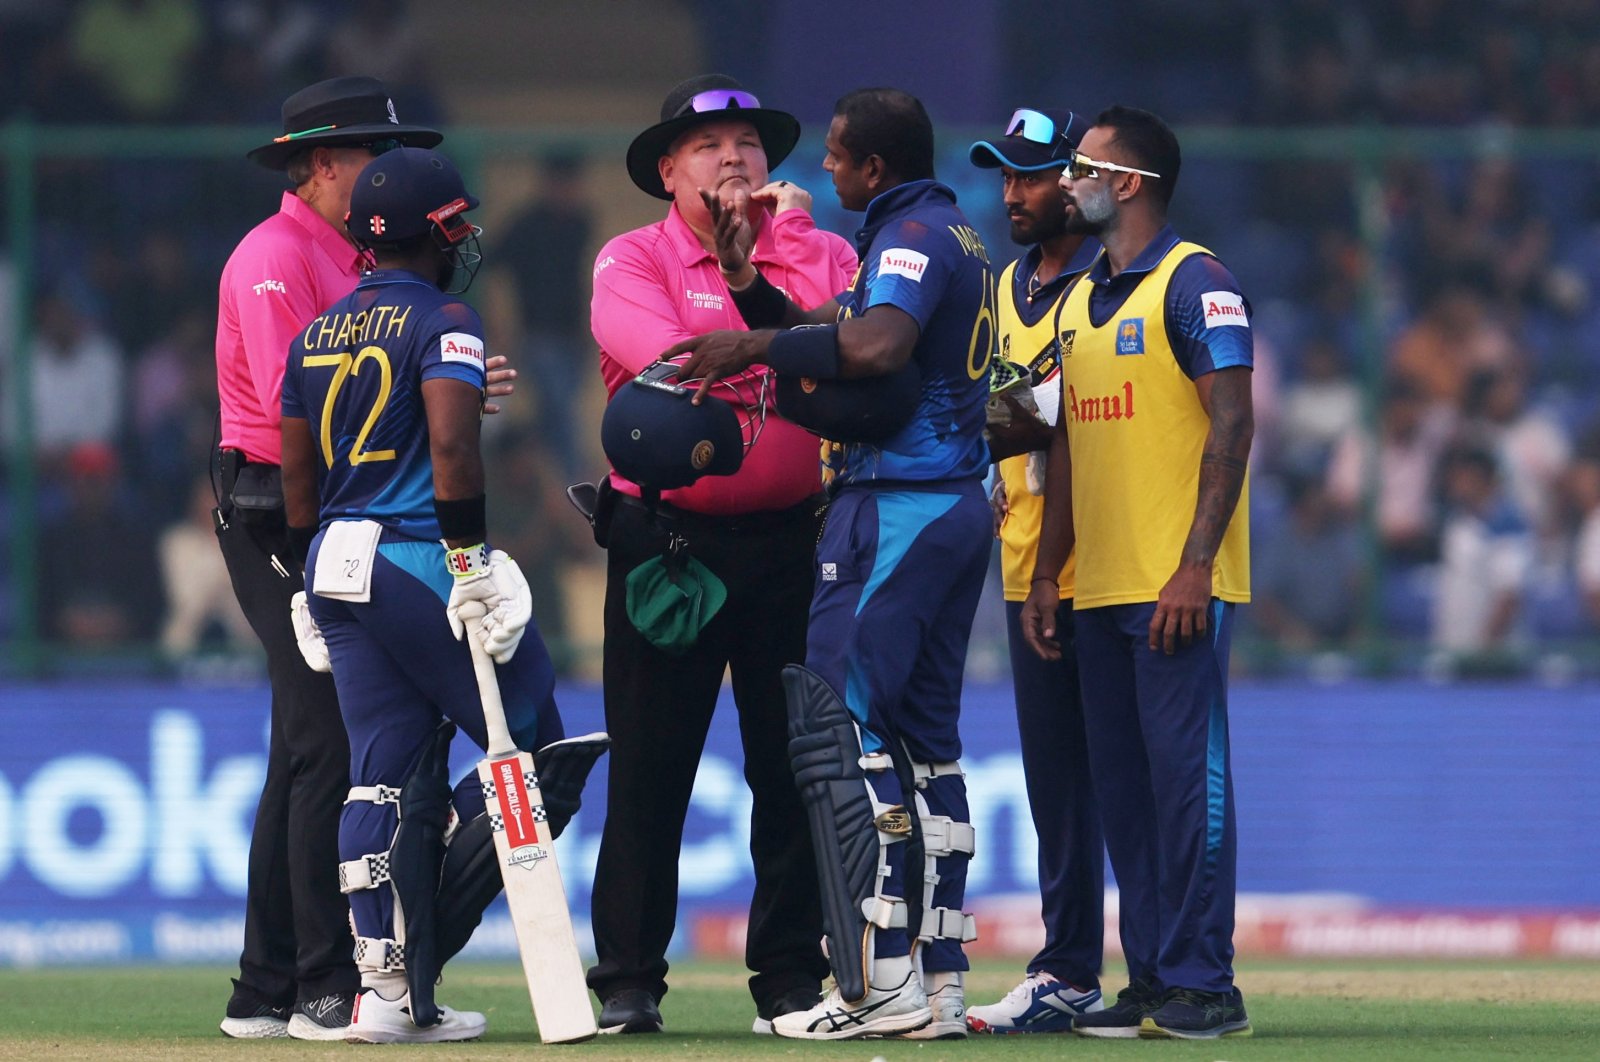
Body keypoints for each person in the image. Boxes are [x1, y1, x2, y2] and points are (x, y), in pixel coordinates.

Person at [671, 86, 995, 1041]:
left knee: (840, 740)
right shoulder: (954, 236)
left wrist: (752, 341)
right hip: (950, 509)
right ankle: (937, 984)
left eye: (840, 157)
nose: (827, 173)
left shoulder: (907, 241)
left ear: (875, 169)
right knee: (925, 750)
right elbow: (838, 338)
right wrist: (750, 292)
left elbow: (876, 346)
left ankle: (874, 985)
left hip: (894, 508)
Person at [279, 146, 605, 1043]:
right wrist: (468, 561)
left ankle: (383, 995)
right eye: (455, 223)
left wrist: (310, 571)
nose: (464, 236)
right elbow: (456, 454)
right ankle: (419, 947)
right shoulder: (448, 317)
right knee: (541, 749)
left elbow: (297, 475)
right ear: (434, 233)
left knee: (378, 770)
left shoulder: (314, 332)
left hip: (335, 565)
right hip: (418, 556)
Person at [213, 76, 509, 1040]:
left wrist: (447, 387)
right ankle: (325, 983)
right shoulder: (274, 255)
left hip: (331, 509)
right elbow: (296, 391)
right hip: (275, 509)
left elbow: (363, 392)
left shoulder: (346, 255)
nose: (386, 177)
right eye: (372, 158)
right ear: (323, 165)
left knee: (302, 747)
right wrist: (432, 393)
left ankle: (266, 988)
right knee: (325, 742)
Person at [585, 73, 856, 1036]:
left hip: (795, 541)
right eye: (706, 145)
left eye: (746, 142)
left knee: (791, 770)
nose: (733, 156)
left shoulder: (824, 251)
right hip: (669, 546)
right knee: (653, 768)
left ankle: (786, 981)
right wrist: (779, 348)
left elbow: (852, 359)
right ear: (668, 170)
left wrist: (766, 306)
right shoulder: (630, 258)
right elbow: (674, 364)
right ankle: (627, 979)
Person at [1019, 105, 1255, 1040]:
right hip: (1097, 587)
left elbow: (1233, 423)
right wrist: (1048, 574)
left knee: (1183, 786)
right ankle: (1154, 977)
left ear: (1127, 183)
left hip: (1175, 589)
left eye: (1080, 164)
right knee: (1123, 793)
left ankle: (1209, 984)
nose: (1063, 177)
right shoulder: (1079, 299)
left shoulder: (1198, 283)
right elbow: (1065, 445)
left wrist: (1195, 566)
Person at [962, 107, 1108, 1035]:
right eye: (1005, 175)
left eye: (1033, 174)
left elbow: (1072, 421)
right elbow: (1011, 418)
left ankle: (1179, 971)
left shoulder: (1112, 281)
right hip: (1028, 567)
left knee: (1130, 782)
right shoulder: (1005, 285)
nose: (1014, 193)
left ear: (1081, 182)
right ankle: (1068, 970)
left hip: (1117, 565)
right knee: (1057, 781)